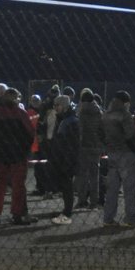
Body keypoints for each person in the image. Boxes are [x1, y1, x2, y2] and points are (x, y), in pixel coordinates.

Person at [0, 88, 35, 225]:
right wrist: (24, 149)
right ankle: (16, 214)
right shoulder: (20, 113)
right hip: (18, 155)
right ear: (16, 98)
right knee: (18, 186)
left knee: (0, 186)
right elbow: (30, 133)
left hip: (1, 154)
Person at [99, 90, 135, 228]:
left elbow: (100, 134)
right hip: (126, 153)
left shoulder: (105, 115)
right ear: (126, 102)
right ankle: (129, 218)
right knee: (129, 189)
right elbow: (130, 135)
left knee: (112, 189)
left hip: (111, 153)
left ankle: (108, 218)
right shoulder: (125, 115)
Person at [45, 94, 80, 224]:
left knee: (67, 187)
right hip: (63, 159)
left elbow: (72, 144)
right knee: (66, 187)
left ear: (64, 106)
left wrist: (67, 161)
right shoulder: (65, 119)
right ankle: (66, 212)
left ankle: (67, 213)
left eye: (57, 105)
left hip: (66, 160)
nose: (55, 108)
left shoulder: (70, 121)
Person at [74, 88, 105, 210]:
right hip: (96, 147)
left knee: (82, 175)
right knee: (94, 176)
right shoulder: (99, 112)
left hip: (84, 146)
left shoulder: (81, 112)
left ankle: (82, 200)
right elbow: (103, 130)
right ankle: (94, 202)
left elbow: (79, 130)